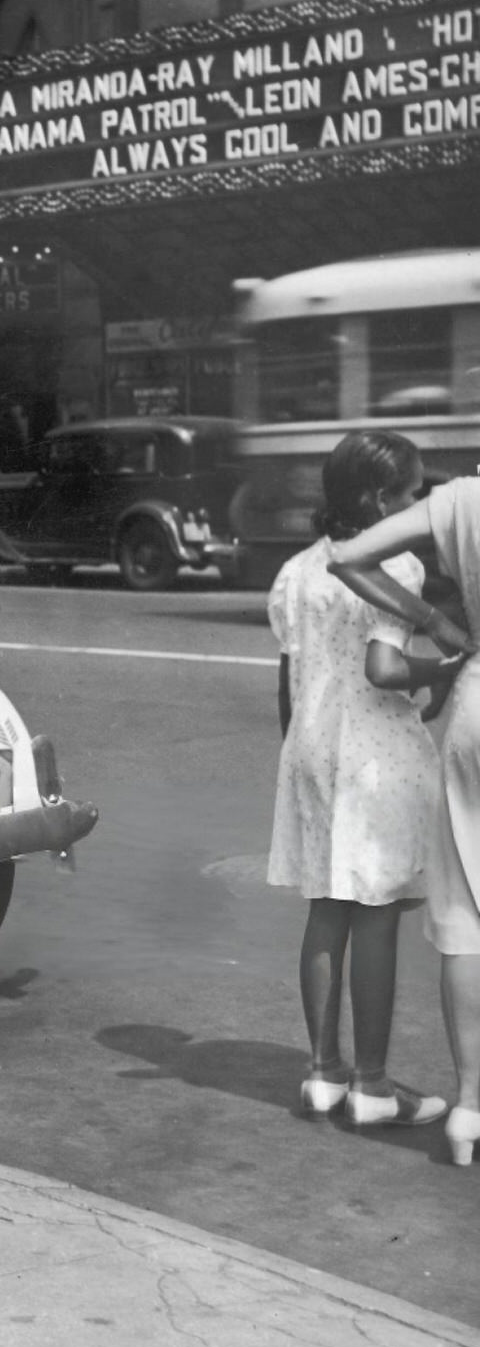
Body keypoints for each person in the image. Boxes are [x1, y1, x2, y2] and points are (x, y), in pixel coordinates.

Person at [268, 431, 462, 1131]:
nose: (416, 506)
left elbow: (289, 679)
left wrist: (297, 756)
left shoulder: (294, 570)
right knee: (376, 915)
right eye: (412, 494)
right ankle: (374, 1084)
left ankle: (323, 1072)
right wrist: (445, 669)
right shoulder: (398, 567)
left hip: (313, 750)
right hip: (376, 756)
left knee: (326, 908)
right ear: (381, 500)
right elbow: (385, 669)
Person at [330, 458, 480, 1167]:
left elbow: (347, 555)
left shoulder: (462, 502)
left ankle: (470, 1107)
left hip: (474, 712)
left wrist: (432, 620)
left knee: (466, 922)